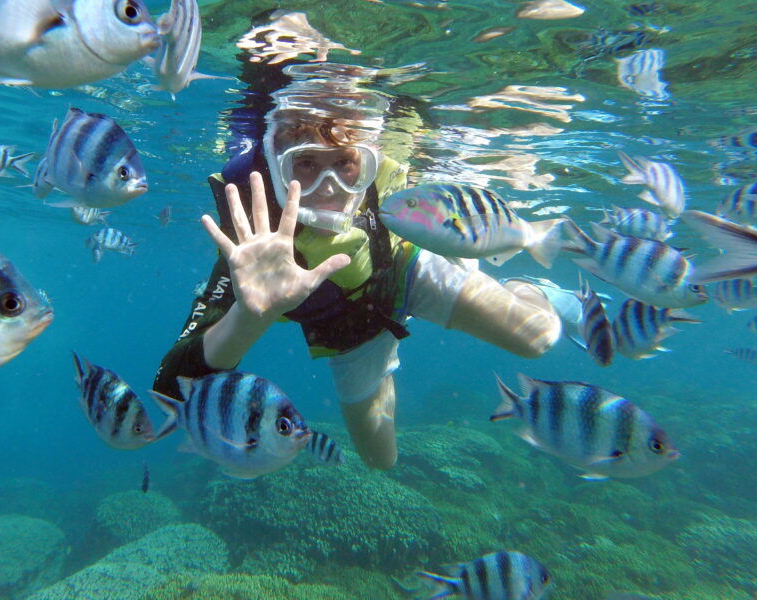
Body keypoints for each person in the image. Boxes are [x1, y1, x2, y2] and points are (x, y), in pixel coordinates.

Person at [152, 80, 561, 470]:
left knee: (537, 337)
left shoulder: (390, 196)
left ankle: (532, 287)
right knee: (380, 460)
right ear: (278, 167)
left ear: (368, 163)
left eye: (346, 163)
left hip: (405, 270)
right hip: (351, 335)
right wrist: (250, 315)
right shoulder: (252, 246)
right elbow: (168, 385)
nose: (329, 188)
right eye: (306, 163)